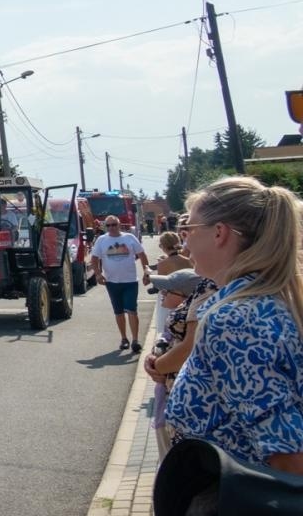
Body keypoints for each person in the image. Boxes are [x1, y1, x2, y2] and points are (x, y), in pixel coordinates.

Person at [164, 176, 303, 475]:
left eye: (188, 229)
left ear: (219, 233)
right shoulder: (263, 299)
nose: (184, 241)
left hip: (252, 515)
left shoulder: (235, 320)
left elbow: (288, 456)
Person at [143, 268, 216, 458]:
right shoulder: (184, 310)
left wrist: (157, 366)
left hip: (180, 406)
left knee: (172, 460)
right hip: (169, 397)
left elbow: (186, 350)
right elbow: (166, 341)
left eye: (168, 291)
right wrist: (153, 359)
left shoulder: (205, 296)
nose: (162, 294)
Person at [90, 215, 152, 353]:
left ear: (119, 225)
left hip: (130, 281)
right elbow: (94, 259)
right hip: (112, 282)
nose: (111, 228)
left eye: (114, 225)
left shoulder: (129, 238)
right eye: (108, 225)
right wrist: (98, 274)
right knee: (118, 312)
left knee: (132, 310)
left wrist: (146, 273)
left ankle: (135, 340)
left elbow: (142, 255)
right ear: (105, 227)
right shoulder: (102, 240)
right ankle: (124, 339)